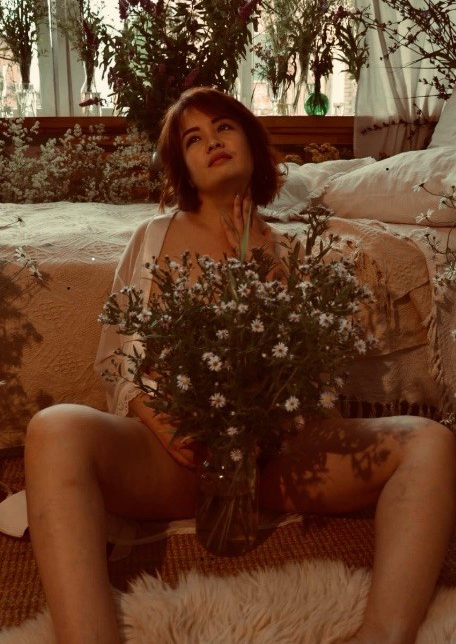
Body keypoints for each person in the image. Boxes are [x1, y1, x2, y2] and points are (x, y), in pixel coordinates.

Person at [25, 86, 456, 644]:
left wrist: (257, 266)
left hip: (276, 463)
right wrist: (164, 423)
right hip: (175, 459)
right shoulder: (153, 237)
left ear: (251, 141)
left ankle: (382, 635)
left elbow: (314, 378)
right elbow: (118, 356)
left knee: (430, 442)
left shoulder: (297, 251)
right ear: (182, 166)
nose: (212, 142)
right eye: (193, 139)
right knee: (54, 428)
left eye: (224, 127)